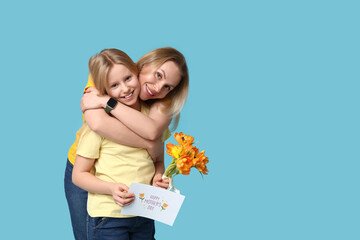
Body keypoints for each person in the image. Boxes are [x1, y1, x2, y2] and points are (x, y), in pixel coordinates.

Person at [64, 47, 189, 239]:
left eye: (168, 86)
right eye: (158, 75)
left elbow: (152, 132)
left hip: (135, 205)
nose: (158, 88)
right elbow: (98, 124)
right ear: (142, 65)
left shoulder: (161, 102)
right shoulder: (108, 67)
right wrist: (150, 144)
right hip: (89, 173)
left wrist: (157, 172)